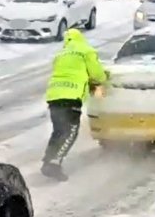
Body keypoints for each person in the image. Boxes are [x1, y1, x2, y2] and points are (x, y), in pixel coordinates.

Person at [42, 29, 108, 181]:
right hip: (71, 96)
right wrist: (104, 79)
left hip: (54, 95)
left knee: (58, 130)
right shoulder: (86, 50)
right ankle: (53, 164)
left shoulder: (61, 54)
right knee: (70, 131)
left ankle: (48, 159)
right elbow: (97, 74)